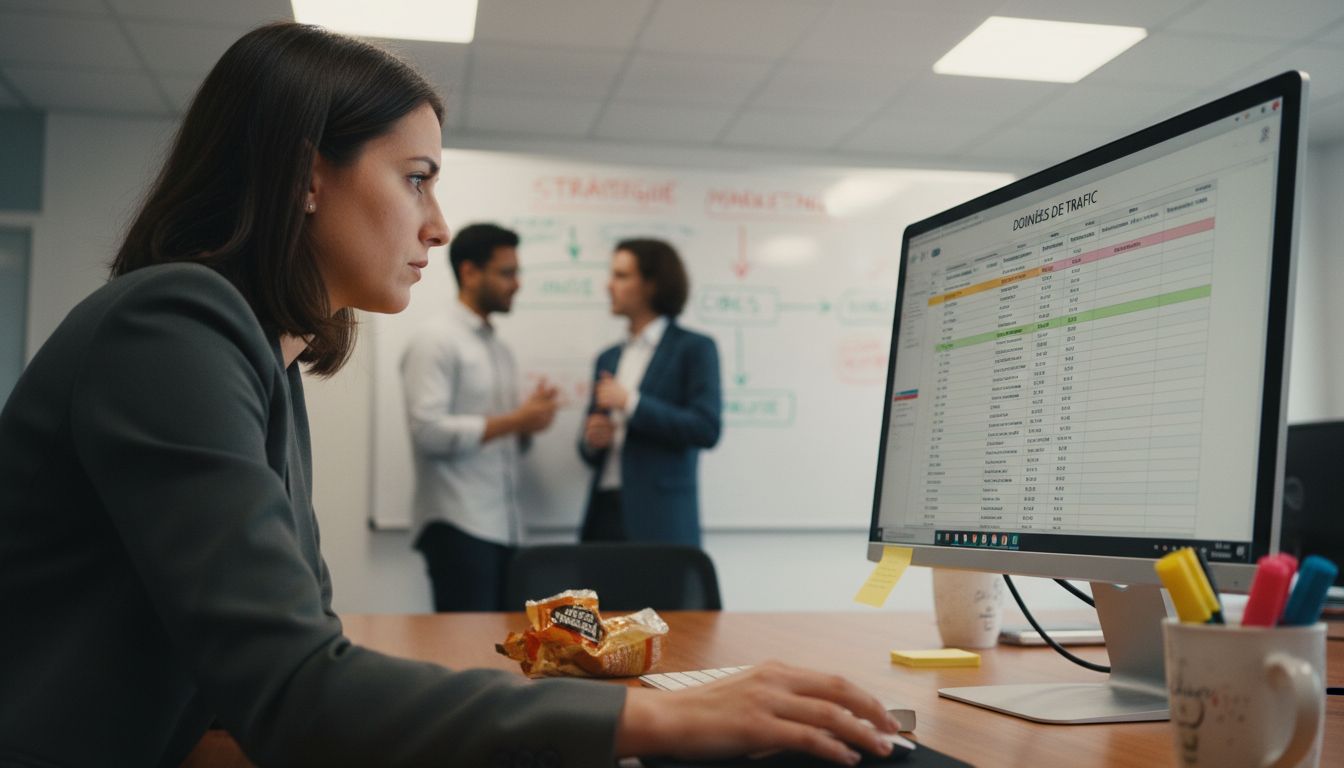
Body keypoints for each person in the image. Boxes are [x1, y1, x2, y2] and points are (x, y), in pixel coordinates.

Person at [0, 22, 900, 767]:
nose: (436, 225)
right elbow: (298, 689)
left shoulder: (259, 361)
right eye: (417, 177)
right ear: (307, 174)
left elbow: (270, 686)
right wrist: (666, 719)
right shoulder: (174, 321)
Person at [401, 222, 558, 612]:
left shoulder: (499, 349)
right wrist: (516, 421)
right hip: (458, 524)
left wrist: (528, 424)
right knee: (465, 655)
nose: (517, 283)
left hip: (504, 528)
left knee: (504, 657)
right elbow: (428, 432)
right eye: (507, 272)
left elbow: (504, 440)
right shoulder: (436, 340)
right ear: (470, 272)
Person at [580, 239, 723, 545]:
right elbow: (589, 448)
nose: (609, 286)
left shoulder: (694, 348)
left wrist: (631, 402)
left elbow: (706, 428)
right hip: (604, 514)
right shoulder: (608, 358)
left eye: (621, 276)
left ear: (652, 284)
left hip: (661, 521)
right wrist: (593, 440)